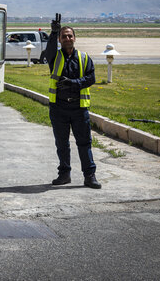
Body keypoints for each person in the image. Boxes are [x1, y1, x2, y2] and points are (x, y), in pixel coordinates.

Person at [46, 13, 101, 189]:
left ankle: (90, 176)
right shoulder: (55, 57)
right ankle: (64, 175)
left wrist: (73, 83)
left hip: (79, 109)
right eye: (64, 36)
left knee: (84, 143)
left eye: (70, 35)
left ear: (75, 38)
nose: (67, 38)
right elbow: (48, 52)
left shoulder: (84, 58)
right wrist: (53, 33)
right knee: (62, 144)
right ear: (61, 40)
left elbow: (91, 78)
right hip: (59, 109)